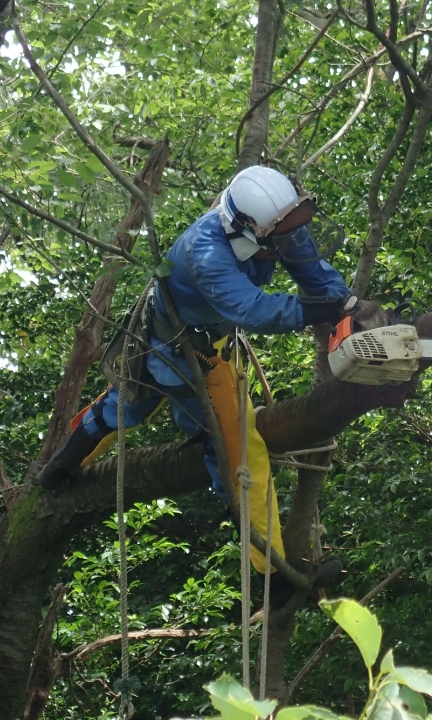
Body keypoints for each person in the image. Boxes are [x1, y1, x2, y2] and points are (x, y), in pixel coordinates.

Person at [38, 166, 378, 606]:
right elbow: (253, 309)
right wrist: (320, 310)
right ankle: (272, 576)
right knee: (240, 446)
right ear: (249, 228)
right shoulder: (207, 251)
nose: (292, 235)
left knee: (126, 407)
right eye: (284, 229)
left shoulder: (275, 220)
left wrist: (343, 304)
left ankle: (56, 468)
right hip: (178, 352)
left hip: (196, 342)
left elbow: (311, 269)